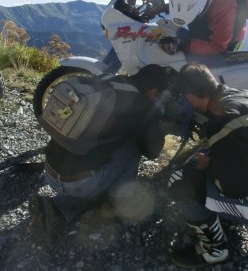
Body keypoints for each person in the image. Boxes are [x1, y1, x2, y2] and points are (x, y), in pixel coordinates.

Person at [167, 62, 248, 268]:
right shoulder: (237, 94)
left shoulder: (223, 123)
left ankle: (215, 250)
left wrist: (204, 169)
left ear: (191, 97)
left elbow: (233, 188)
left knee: (180, 184)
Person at [29, 64, 170, 239]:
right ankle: (118, 203)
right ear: (154, 91)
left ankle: (56, 209)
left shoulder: (109, 80)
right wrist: (157, 118)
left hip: (49, 172)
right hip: (80, 184)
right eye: (159, 94)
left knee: (101, 147)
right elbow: (152, 152)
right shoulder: (141, 105)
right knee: (133, 146)